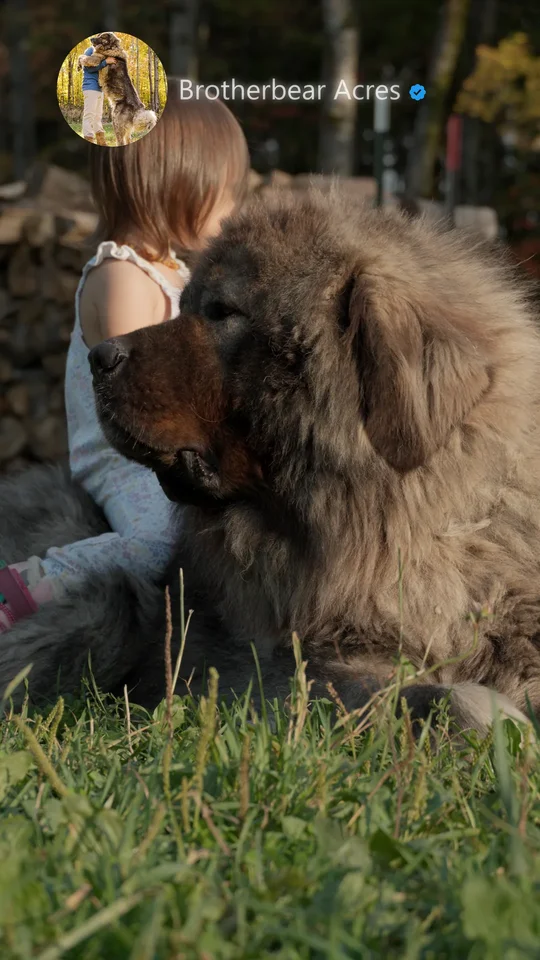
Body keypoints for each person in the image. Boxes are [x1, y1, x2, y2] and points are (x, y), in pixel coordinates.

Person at [0, 86, 250, 633]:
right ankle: (27, 585)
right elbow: (137, 393)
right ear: (178, 185)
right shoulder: (124, 274)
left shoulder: (174, 273)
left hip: (165, 443)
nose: (233, 211)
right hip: (126, 459)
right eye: (226, 193)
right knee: (160, 542)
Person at [81, 44, 116, 145]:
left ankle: (101, 142)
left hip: (99, 89)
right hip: (90, 87)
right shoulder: (90, 50)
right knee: (89, 115)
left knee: (97, 116)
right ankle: (89, 139)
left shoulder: (102, 53)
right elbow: (88, 68)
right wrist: (105, 62)